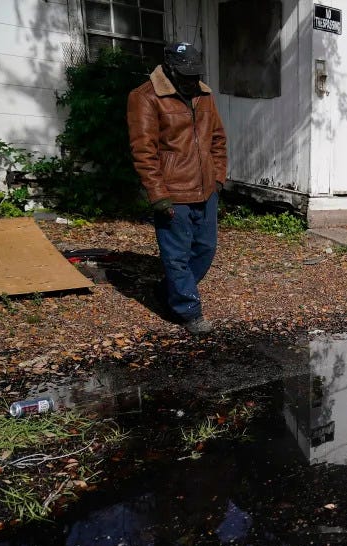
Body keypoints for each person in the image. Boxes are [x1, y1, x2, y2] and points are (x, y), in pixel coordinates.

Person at [127, 42, 227, 335]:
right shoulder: (145, 97)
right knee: (176, 255)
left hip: (206, 189)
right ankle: (188, 311)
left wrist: (218, 179)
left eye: (195, 72)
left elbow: (218, 140)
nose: (191, 79)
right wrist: (158, 195)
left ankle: (168, 290)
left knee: (205, 250)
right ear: (169, 68)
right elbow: (143, 152)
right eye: (185, 73)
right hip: (173, 192)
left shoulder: (204, 95)